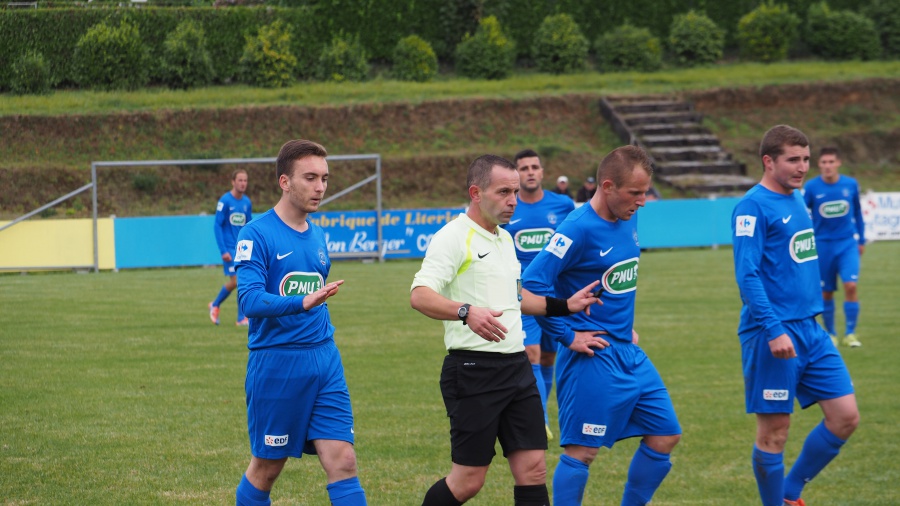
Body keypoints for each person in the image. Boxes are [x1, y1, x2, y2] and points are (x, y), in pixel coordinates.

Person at [410, 154, 600, 506]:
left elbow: (515, 298)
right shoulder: (452, 237)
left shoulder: (504, 239)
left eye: (515, 191)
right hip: (473, 370)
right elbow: (420, 295)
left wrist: (564, 305)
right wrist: (465, 312)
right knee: (468, 481)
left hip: (517, 369)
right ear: (476, 192)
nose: (513, 200)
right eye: (503, 192)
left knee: (533, 470)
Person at [522, 145, 681, 506]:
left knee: (665, 434)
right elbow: (530, 288)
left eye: (645, 192)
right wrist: (566, 335)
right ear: (607, 186)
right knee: (582, 452)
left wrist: (626, 324)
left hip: (628, 350)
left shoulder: (628, 216)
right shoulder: (576, 229)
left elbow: (617, 280)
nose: (643, 201)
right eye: (635, 193)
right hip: (592, 356)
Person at [233, 140, 367, 506]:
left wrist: (311, 305)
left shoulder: (318, 234)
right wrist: (302, 301)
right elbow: (249, 300)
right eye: (310, 177)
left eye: (324, 178)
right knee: (267, 468)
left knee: (344, 460)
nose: (320, 187)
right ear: (284, 182)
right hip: (277, 362)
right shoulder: (256, 234)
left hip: (324, 359)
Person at [731, 125, 859, 506]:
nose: (803, 167)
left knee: (845, 416)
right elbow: (747, 274)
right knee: (774, 432)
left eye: (806, 158)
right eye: (793, 159)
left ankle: (789, 493)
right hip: (772, 332)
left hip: (811, 329)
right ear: (768, 161)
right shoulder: (752, 206)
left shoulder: (797, 199)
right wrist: (773, 330)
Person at [503, 149, 575, 440]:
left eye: (535, 166)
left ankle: (542, 409)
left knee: (547, 357)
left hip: (555, 293)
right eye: (524, 167)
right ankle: (541, 422)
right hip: (522, 293)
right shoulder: (507, 207)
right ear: (516, 174)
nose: (530, 171)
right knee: (530, 353)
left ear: (542, 172)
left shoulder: (564, 205)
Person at [802, 147, 865, 348]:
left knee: (851, 285)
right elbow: (802, 215)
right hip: (822, 245)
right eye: (824, 162)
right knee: (826, 292)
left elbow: (858, 213)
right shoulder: (812, 187)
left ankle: (850, 333)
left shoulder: (850, 184)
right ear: (819, 165)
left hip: (847, 243)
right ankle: (831, 333)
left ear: (838, 163)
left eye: (831, 162)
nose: (827, 166)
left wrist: (861, 239)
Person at [209, 169, 253, 326]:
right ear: (233, 182)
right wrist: (223, 250)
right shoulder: (225, 201)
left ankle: (215, 304)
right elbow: (217, 225)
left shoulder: (247, 202)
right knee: (239, 281)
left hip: (242, 248)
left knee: (239, 281)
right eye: (240, 180)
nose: (243, 183)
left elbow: (249, 226)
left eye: (245, 180)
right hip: (229, 248)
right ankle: (241, 318)